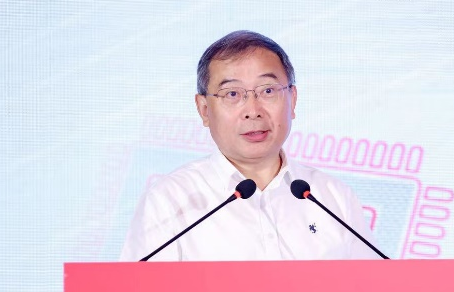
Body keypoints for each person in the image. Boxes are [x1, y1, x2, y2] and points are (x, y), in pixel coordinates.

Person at [120, 30, 379, 262]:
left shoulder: (333, 199)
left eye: (268, 91)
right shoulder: (169, 201)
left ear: (292, 100)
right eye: (232, 94)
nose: (253, 111)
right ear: (204, 109)